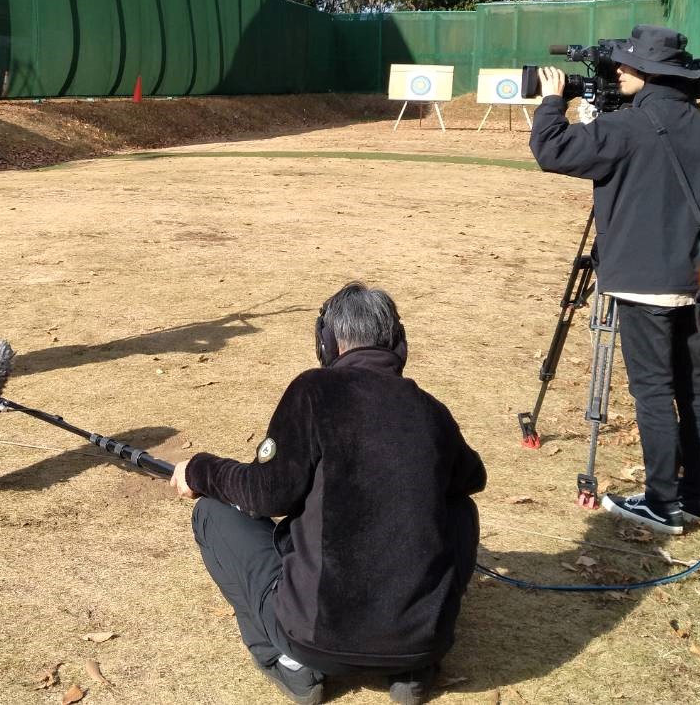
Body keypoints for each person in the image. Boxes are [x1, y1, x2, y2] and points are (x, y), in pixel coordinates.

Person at [169, 282, 484, 705]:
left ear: (326, 343)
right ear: (399, 342)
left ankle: (289, 661)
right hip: (420, 642)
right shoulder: (431, 410)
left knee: (212, 512)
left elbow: (265, 496)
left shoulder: (314, 391)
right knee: (459, 507)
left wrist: (200, 469)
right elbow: (472, 478)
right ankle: (410, 666)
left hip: (315, 636)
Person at [530, 25, 700, 536]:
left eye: (627, 66)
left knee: (652, 390)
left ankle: (662, 502)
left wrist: (550, 100)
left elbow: (550, 150)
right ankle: (693, 498)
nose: (620, 72)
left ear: (645, 74)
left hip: (643, 283)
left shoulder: (627, 128)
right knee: (693, 391)